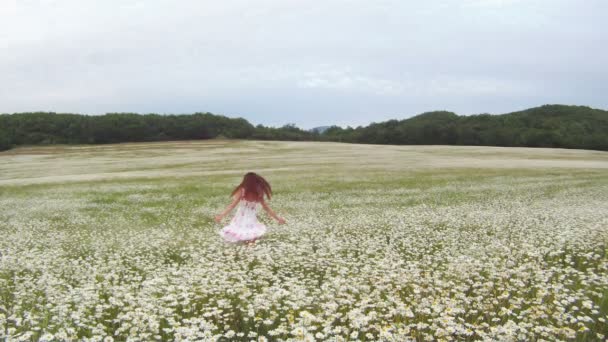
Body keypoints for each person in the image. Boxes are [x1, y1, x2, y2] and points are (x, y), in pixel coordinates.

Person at [215, 172, 286, 243]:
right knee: (250, 236)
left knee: (239, 234)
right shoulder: (259, 192)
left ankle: (245, 249)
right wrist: (278, 218)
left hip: (240, 218)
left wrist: (221, 215)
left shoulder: (242, 190)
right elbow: (267, 208)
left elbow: (232, 205)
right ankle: (249, 247)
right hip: (251, 219)